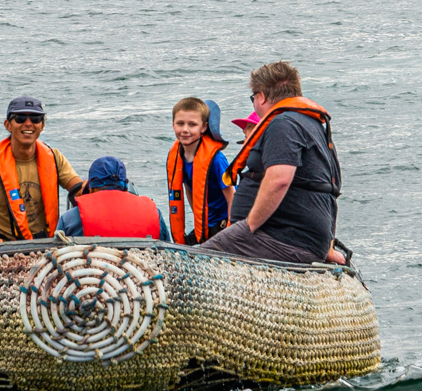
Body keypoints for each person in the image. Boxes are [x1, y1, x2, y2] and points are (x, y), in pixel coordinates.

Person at [202, 60, 346, 265]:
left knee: (194, 259)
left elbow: (279, 180)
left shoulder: (283, 124)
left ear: (261, 96)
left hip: (284, 239)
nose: (254, 103)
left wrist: (249, 226)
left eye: (253, 98)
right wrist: (327, 247)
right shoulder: (311, 124)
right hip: (304, 239)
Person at [0, 96, 83, 243]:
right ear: (8, 125)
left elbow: (81, 191)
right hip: (3, 247)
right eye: (20, 118)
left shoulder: (54, 157)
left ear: (42, 125)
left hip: (46, 244)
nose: (28, 123)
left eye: (35, 119)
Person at [166, 98, 235, 245]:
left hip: (223, 222)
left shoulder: (216, 160)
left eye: (192, 124)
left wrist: (230, 232)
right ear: (173, 124)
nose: (185, 129)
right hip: (205, 223)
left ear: (203, 127)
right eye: (180, 123)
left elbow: (232, 197)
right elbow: (189, 190)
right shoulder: (178, 157)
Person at [56, 156, 172, 241]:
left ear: (91, 189)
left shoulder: (69, 219)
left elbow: (55, 254)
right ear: (126, 187)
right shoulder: (155, 214)